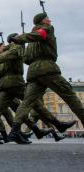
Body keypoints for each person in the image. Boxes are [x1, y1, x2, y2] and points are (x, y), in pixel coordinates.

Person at [8, 13, 80, 144]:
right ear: (43, 21)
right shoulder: (46, 29)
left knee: (26, 103)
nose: (50, 20)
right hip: (47, 69)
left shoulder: (30, 44)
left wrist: (22, 40)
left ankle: (14, 131)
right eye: (48, 19)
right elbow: (41, 34)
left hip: (33, 73)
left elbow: (27, 59)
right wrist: (19, 38)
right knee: (70, 95)